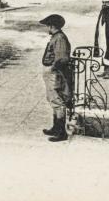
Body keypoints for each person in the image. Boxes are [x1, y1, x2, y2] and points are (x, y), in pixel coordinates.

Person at [40, 14, 72, 142]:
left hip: (55, 74)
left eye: (48, 25)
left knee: (57, 101)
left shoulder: (59, 38)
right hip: (52, 73)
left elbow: (62, 58)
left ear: (52, 26)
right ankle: (56, 128)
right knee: (52, 99)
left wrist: (53, 69)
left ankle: (61, 132)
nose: (47, 27)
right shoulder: (57, 37)